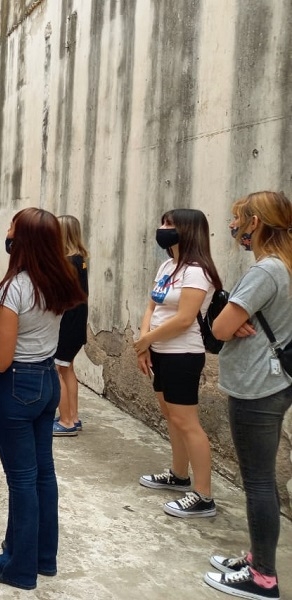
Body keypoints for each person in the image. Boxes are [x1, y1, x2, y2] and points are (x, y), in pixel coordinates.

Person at [0, 208, 85, 590]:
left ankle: (17, 566)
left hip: (16, 385)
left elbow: (2, 358)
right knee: (42, 474)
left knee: (22, 480)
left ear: (24, 240)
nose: (7, 233)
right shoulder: (59, 280)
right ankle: (43, 557)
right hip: (46, 381)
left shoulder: (15, 289)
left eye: (12, 229)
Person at [204, 191, 292, 600]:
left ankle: (263, 578)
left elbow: (220, 328)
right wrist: (237, 318)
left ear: (255, 222)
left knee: (257, 481)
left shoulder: (267, 270)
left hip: (257, 385)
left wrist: (230, 321)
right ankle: (259, 557)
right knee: (262, 479)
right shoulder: (285, 266)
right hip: (275, 381)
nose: (233, 225)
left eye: (238, 217)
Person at [133, 208, 220, 518]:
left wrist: (146, 339)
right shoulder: (168, 266)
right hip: (159, 352)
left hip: (183, 354)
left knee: (187, 422)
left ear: (187, 229)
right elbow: (151, 307)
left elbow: (185, 319)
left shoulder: (197, 271)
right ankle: (179, 475)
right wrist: (144, 344)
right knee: (171, 416)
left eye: (169, 224)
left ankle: (204, 496)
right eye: (163, 222)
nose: (162, 228)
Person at [53, 215, 89, 437]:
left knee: (56, 370)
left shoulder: (67, 262)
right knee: (67, 369)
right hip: (77, 322)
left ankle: (66, 421)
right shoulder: (79, 259)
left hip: (67, 323)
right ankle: (73, 417)